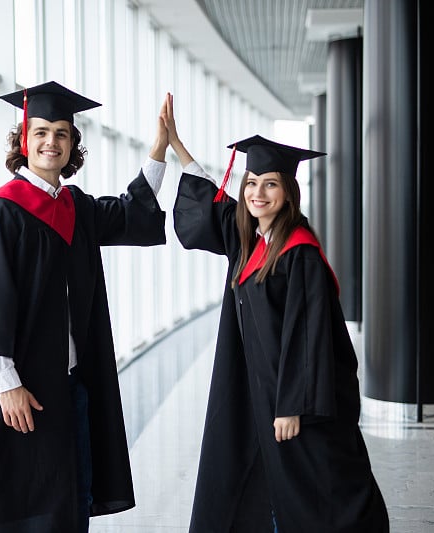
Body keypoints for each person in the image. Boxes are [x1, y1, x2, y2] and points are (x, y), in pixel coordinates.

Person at [163, 93, 389, 532]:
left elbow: (309, 337)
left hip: (298, 404)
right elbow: (212, 209)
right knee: (266, 487)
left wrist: (292, 407)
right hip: (259, 393)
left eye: (270, 183)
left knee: (322, 489)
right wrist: (177, 146)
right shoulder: (251, 240)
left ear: (289, 192)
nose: (257, 193)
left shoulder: (298, 253)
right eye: (251, 182)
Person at [0, 81, 169, 533]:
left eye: (62, 134)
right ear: (23, 142)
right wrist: (6, 384)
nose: (52, 141)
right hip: (21, 390)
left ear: (73, 146)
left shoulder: (74, 207)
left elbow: (132, 212)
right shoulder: (1, 212)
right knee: (19, 505)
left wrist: (159, 151)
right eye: (41, 132)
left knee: (69, 500)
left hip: (69, 385)